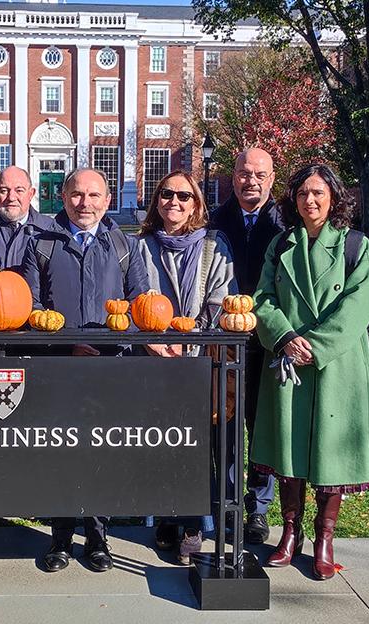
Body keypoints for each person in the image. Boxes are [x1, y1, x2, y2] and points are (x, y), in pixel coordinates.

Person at [252, 164, 369, 581]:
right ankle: (290, 533)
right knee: (288, 447)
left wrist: (315, 347)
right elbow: (263, 298)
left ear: (334, 198)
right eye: (303, 193)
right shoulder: (281, 244)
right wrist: (285, 337)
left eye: (318, 193)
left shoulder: (355, 246)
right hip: (288, 360)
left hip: (335, 363)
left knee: (330, 449)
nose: (310, 200)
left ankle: (324, 538)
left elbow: (360, 305)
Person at [21, 168, 149, 573]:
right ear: (63, 196)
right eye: (77, 195)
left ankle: (97, 536)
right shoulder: (41, 244)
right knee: (60, 452)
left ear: (107, 200)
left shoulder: (124, 246)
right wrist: (66, 342)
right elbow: (28, 306)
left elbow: (141, 306)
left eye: (94, 195)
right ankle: (59, 537)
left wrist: (110, 340)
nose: (85, 203)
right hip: (59, 367)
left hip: (108, 369)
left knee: (100, 453)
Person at [136, 169, 237, 564]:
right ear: (156, 200)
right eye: (166, 195)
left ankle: (193, 525)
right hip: (156, 359)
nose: (173, 202)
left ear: (196, 203)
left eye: (183, 196)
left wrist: (188, 337)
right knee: (160, 441)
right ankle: (164, 516)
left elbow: (222, 300)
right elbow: (134, 298)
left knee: (196, 445)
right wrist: (154, 341)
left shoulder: (214, 245)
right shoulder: (141, 246)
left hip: (200, 361)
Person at [209, 147, 282, 544]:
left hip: (270, 342)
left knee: (264, 425)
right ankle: (227, 502)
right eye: (243, 172)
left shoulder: (286, 223)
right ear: (232, 176)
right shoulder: (215, 220)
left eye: (259, 173)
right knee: (229, 424)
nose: (250, 180)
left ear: (271, 178)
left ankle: (259, 506)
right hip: (227, 341)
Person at [0, 165, 55, 272]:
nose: (11, 198)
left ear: (31, 194)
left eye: (19, 191)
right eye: (4, 191)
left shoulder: (51, 230)